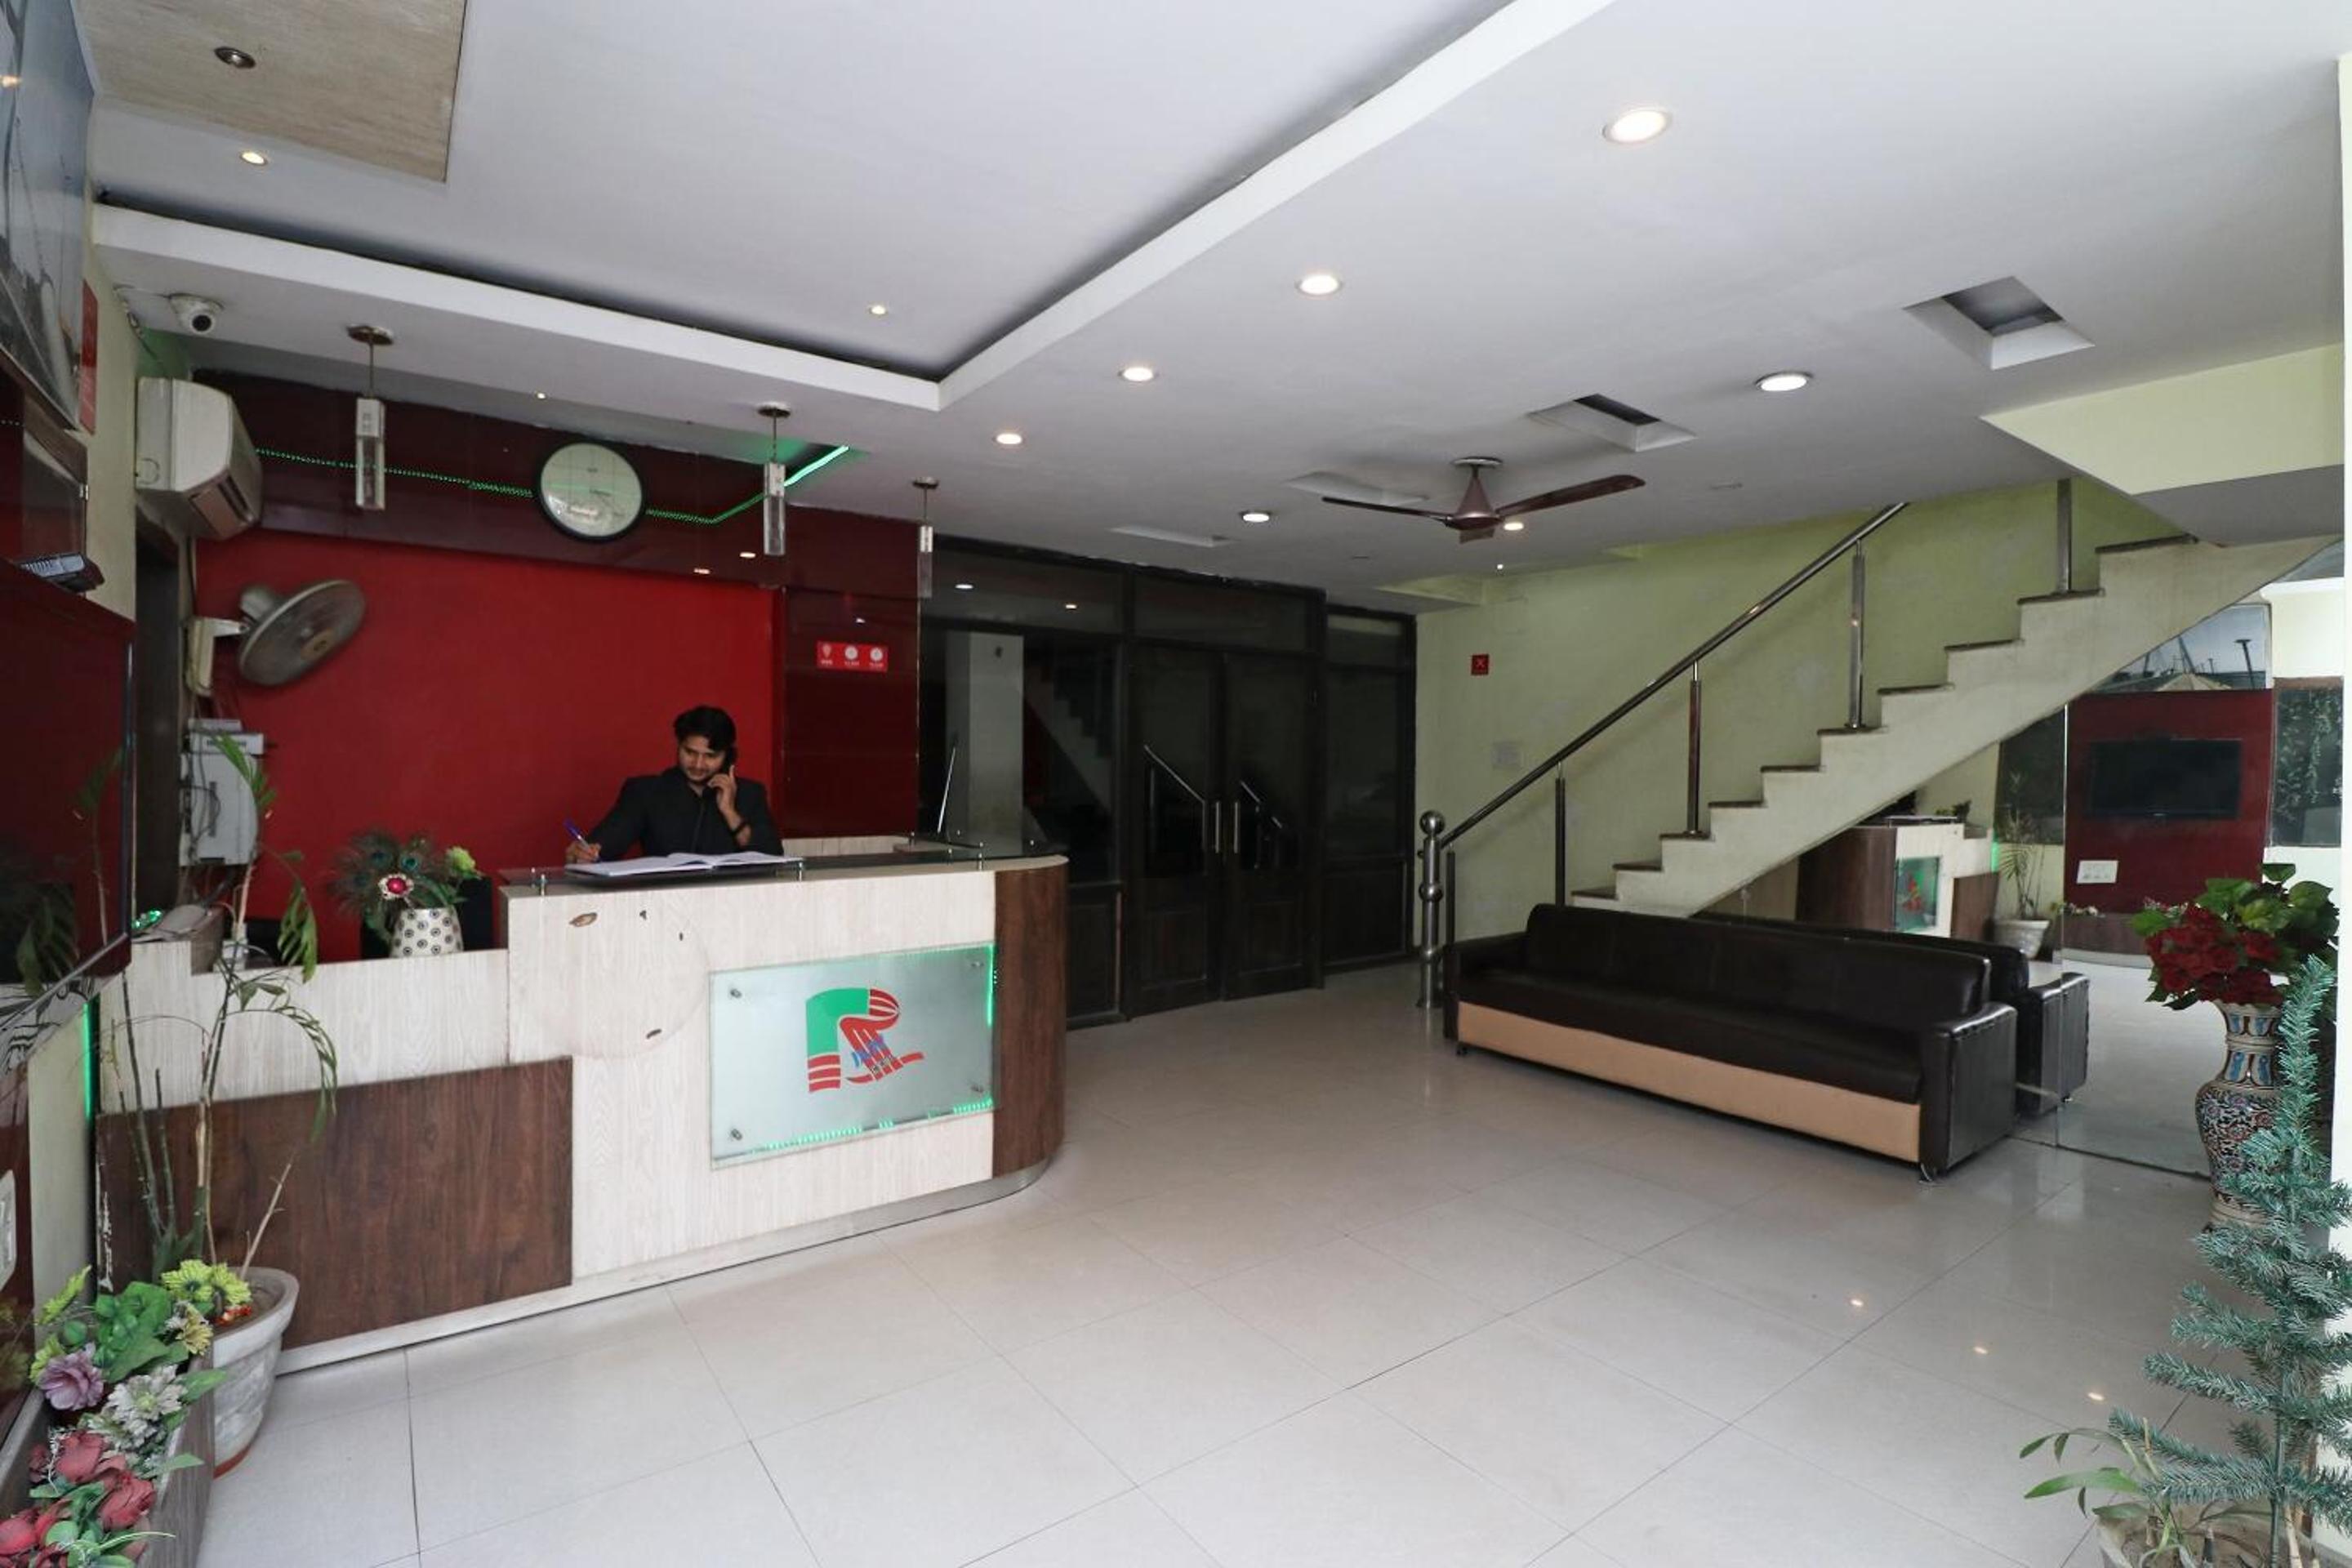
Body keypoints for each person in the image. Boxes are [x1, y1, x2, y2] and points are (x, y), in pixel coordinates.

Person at [568, 706, 783, 862]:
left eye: (710, 756)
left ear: (728, 757)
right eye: (690, 752)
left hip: (734, 903)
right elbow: (603, 847)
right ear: (678, 746)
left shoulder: (750, 794)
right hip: (664, 902)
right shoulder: (645, 792)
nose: (698, 764)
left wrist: (730, 812)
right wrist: (582, 854)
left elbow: (773, 858)